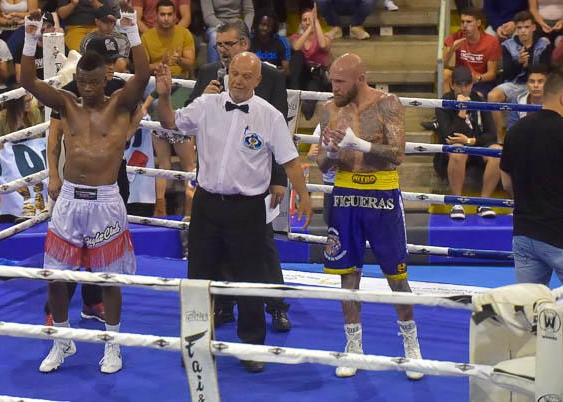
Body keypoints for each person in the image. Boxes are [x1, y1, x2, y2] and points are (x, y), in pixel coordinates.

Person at [156, 52, 312, 373]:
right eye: (235, 74)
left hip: (248, 210)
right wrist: (162, 96)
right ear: (227, 74)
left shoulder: (269, 116)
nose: (239, 81)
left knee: (250, 278)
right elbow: (170, 123)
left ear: (257, 80)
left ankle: (252, 346)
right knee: (198, 277)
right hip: (207, 205)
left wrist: (305, 198)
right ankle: (197, 345)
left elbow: (290, 161)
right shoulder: (206, 105)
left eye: (246, 76)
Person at [19, 1, 150, 375]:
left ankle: (113, 347)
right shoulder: (66, 103)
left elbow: (142, 74)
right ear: (76, 80)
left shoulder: (120, 104)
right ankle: (63, 341)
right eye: (82, 82)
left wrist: (131, 27)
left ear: (105, 80)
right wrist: (31, 37)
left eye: (94, 82)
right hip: (70, 201)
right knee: (57, 278)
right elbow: (28, 81)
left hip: (106, 202)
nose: (88, 88)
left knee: (108, 280)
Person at [316, 52, 423, 380]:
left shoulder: (388, 103)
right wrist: (332, 153)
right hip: (346, 195)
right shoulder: (328, 110)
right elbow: (321, 163)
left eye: (340, 82)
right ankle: (354, 346)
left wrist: (358, 144)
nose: (334, 87)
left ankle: (411, 345)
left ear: (360, 79)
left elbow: (397, 155)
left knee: (396, 275)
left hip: (382, 195)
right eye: (332, 80)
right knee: (348, 274)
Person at [186, 19, 293, 334]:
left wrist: (278, 179)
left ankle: (275, 307)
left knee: (260, 253)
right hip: (214, 186)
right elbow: (190, 120)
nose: (223, 50)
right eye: (219, 44)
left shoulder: (271, 77)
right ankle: (220, 310)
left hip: (253, 187)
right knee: (208, 259)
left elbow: (278, 130)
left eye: (229, 44)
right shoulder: (207, 74)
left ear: (244, 44)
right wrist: (203, 98)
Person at [500, 66, 563, 285]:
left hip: (524, 233)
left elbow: (506, 182)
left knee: (528, 309)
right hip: (558, 234)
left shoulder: (516, 129)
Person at [435, 66, 500, 220]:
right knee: (458, 151)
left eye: (466, 85)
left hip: (476, 145)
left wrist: (470, 141)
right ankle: (457, 203)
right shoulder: (443, 103)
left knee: (496, 152)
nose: (463, 89)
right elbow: (448, 136)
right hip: (450, 154)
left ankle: (484, 202)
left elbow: (492, 134)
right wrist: (462, 112)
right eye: (459, 85)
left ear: (472, 85)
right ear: (452, 85)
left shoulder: (480, 101)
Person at [487, 10, 551, 141]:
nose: (523, 31)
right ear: (516, 29)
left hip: (538, 82)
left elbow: (546, 69)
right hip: (515, 83)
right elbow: (507, 73)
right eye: (520, 28)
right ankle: (501, 137)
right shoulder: (508, 45)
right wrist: (519, 63)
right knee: (492, 96)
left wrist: (528, 64)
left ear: (533, 27)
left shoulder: (544, 43)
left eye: (526, 27)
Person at [443, 8, 502, 97]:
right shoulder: (456, 36)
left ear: (478, 23)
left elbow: (492, 74)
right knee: (445, 73)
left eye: (468, 22)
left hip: (480, 81)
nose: (464, 25)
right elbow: (444, 64)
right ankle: (447, 107)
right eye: (462, 22)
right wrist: (452, 49)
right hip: (460, 79)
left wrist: (477, 78)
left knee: (476, 96)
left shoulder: (491, 42)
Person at [289, 6, 333, 119]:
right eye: (305, 20)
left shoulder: (325, 38)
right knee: (297, 55)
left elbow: (323, 45)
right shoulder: (295, 37)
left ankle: (307, 107)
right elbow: (296, 48)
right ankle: (294, 90)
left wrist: (316, 22)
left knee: (312, 88)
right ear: (300, 23)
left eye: (311, 19)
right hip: (301, 76)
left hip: (317, 76)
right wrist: (309, 29)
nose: (308, 22)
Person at [141, 0, 196, 78]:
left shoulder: (185, 33)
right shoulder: (146, 37)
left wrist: (179, 60)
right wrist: (162, 64)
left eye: (169, 14)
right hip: (157, 77)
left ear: (174, 16)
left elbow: (191, 65)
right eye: (162, 14)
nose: (166, 18)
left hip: (180, 79)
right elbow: (143, 69)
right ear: (156, 16)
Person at [505, 64, 547, 130]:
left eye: (540, 81)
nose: (536, 85)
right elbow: (511, 129)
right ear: (527, 84)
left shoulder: (557, 101)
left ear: (548, 83)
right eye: (532, 81)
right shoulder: (518, 100)